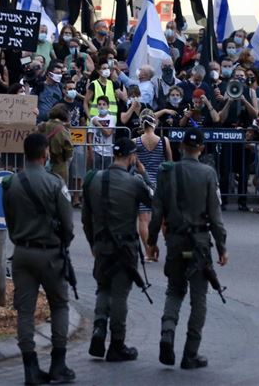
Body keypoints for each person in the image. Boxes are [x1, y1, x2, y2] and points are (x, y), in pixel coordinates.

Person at [148, 128, 228, 370]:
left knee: (174, 290)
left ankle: (167, 332)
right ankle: (190, 353)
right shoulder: (207, 173)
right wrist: (222, 246)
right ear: (202, 149)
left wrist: (151, 242)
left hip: (175, 239)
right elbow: (215, 216)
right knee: (198, 298)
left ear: (181, 146)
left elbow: (156, 212)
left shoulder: (166, 172)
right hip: (200, 241)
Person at [2, 133, 76, 385]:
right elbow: (68, 224)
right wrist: (62, 242)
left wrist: (21, 238)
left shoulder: (11, 182)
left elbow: (9, 220)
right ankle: (58, 364)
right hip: (50, 253)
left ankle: (30, 368)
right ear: (45, 154)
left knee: (24, 311)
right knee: (59, 305)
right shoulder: (55, 183)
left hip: (22, 252)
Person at [81, 138, 153, 362]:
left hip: (101, 245)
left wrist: (92, 242)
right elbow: (153, 201)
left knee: (103, 288)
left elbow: (85, 218)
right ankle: (117, 344)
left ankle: (99, 329)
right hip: (125, 247)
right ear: (132, 157)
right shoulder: (134, 182)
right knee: (120, 295)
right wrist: (144, 174)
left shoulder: (94, 180)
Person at [135, 111, 170, 261]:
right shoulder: (163, 140)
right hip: (160, 181)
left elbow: (134, 163)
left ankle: (148, 251)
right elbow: (169, 162)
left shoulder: (134, 141)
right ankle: (169, 248)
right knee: (163, 219)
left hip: (142, 181)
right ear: (154, 124)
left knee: (143, 218)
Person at [37, 104, 74, 184]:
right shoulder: (62, 130)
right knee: (59, 189)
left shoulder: (42, 126)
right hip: (59, 165)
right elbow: (69, 148)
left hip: (41, 163)